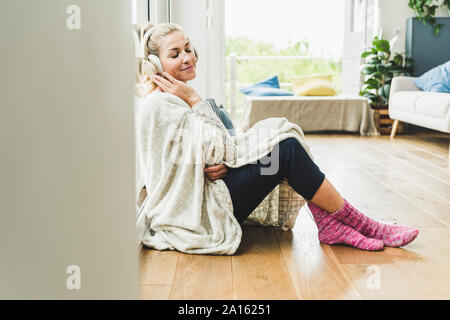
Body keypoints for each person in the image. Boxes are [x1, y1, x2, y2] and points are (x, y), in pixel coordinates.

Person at [137, 22, 418, 253]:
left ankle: (333, 223)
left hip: (211, 192)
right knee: (285, 150)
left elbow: (207, 152)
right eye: (174, 54)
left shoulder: (173, 99)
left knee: (280, 141)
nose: (187, 57)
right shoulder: (162, 104)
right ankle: (362, 224)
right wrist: (196, 101)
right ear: (154, 66)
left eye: (187, 48)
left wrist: (217, 161)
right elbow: (213, 152)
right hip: (200, 214)